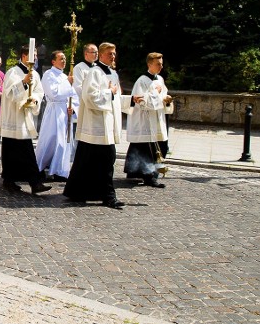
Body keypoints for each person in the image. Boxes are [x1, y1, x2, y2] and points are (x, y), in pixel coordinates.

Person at [63, 42, 130, 209]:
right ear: (100, 54)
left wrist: (133, 100)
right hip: (95, 127)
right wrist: (110, 92)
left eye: (114, 53)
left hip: (107, 126)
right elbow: (90, 97)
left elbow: (116, 99)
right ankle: (108, 196)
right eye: (109, 53)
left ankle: (78, 192)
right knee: (104, 160)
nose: (113, 56)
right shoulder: (94, 73)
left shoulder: (113, 74)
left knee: (91, 161)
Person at [0, 47, 51, 194]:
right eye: (32, 55)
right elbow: (9, 94)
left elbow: (39, 93)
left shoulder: (35, 74)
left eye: (36, 56)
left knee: (25, 150)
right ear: (23, 56)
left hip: (25, 117)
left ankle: (30, 182)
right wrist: (23, 82)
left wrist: (33, 100)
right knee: (12, 150)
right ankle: (14, 181)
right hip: (14, 118)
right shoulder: (13, 72)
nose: (35, 58)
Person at [124, 52, 173, 187]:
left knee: (161, 146)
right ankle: (149, 177)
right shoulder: (142, 81)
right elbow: (142, 101)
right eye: (158, 64)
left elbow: (162, 96)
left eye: (161, 64)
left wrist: (166, 99)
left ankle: (150, 173)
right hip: (145, 120)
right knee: (148, 149)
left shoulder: (160, 79)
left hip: (158, 118)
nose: (161, 66)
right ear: (149, 64)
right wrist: (157, 93)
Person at [35, 51, 77, 181]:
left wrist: (73, 108)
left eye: (65, 58)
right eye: (61, 58)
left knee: (63, 142)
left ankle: (59, 170)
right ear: (53, 61)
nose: (64, 61)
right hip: (54, 111)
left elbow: (73, 96)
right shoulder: (49, 75)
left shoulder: (65, 76)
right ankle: (39, 167)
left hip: (64, 112)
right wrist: (67, 83)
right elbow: (53, 94)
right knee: (50, 140)